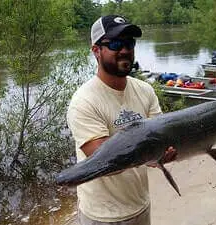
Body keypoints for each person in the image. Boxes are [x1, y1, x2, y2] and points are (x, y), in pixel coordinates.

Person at [66, 15, 176, 225]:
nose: (125, 50)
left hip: (140, 205)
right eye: (116, 43)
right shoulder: (84, 101)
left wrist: (161, 155)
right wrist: (151, 152)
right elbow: (106, 162)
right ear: (96, 51)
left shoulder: (145, 90)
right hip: (102, 216)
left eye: (129, 43)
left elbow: (161, 138)